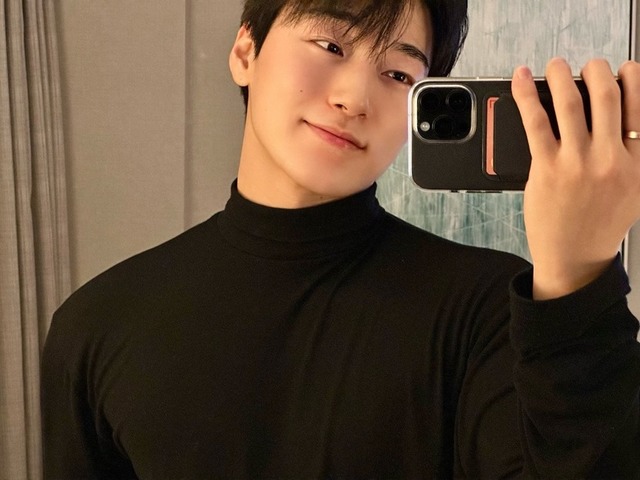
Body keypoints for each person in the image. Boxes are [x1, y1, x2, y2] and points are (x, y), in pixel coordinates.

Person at [41, 0, 640, 477]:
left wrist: (578, 275)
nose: (355, 99)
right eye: (330, 46)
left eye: (398, 73)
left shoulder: (486, 309)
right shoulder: (95, 325)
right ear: (246, 51)